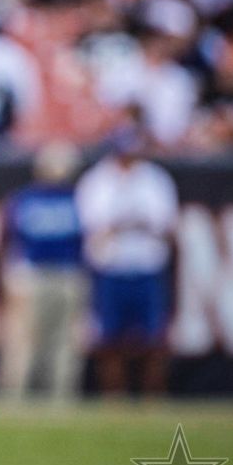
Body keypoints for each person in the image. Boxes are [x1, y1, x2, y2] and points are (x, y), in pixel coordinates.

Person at [74, 128, 179, 396]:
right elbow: (94, 227)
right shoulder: (97, 180)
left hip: (147, 266)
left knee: (154, 337)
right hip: (110, 267)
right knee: (108, 337)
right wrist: (131, 223)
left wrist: (125, 223)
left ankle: (153, 395)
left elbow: (165, 225)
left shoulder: (155, 179)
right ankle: (114, 396)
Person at [0, 141, 86, 403]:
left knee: (65, 342)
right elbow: (9, 241)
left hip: (67, 275)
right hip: (32, 275)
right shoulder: (25, 199)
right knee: (22, 341)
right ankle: (12, 397)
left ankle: (61, 399)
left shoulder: (78, 198)